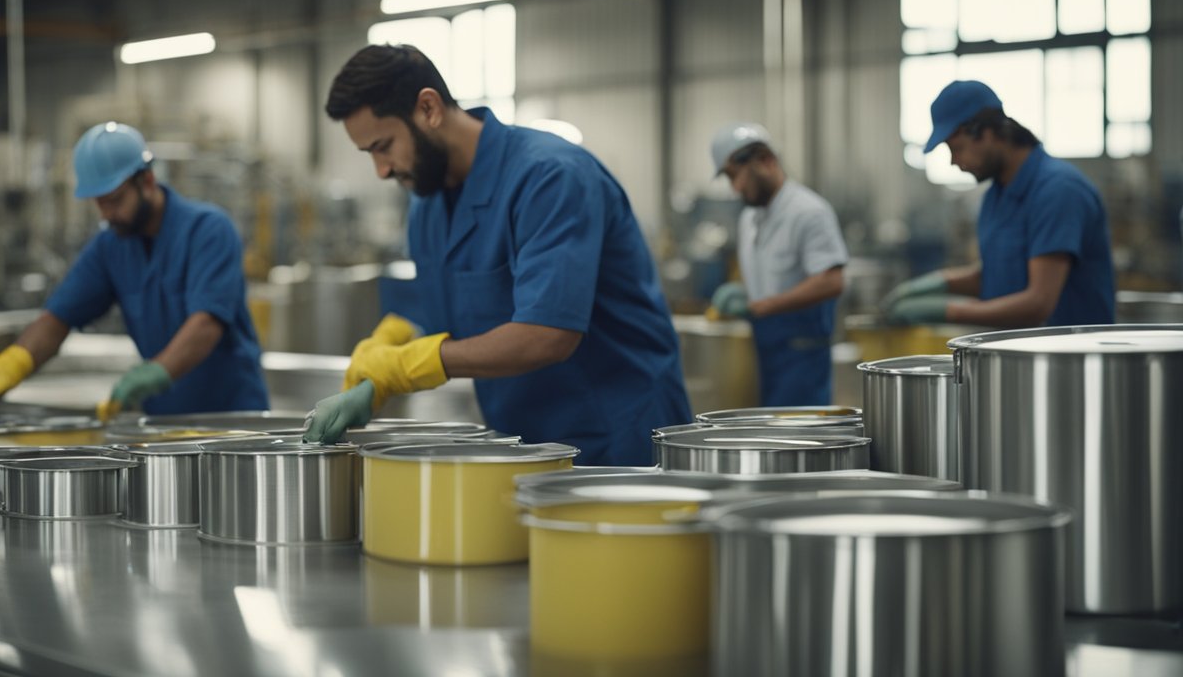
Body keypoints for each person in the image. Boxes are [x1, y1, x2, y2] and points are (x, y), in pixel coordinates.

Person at [305, 44, 690, 466]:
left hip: (617, 438)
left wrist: (408, 365)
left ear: (428, 108)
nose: (381, 170)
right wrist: (381, 356)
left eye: (384, 146)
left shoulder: (550, 177)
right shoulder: (428, 205)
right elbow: (432, 311)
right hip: (522, 442)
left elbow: (548, 335)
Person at [0, 122, 269, 418]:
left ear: (147, 180)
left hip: (233, 422)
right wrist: (14, 362)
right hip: (165, 423)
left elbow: (206, 324)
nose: (106, 214)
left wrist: (155, 372)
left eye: (114, 200)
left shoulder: (209, 230)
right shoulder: (111, 246)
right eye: (98, 203)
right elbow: (57, 319)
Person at [882, 80, 1115, 327]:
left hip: (1066, 359)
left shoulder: (1058, 190)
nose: (954, 161)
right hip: (1013, 358)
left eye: (957, 148)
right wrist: (940, 283)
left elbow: (1038, 302)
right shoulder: (996, 196)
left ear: (987, 132)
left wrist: (949, 311)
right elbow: (999, 276)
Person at [706, 123, 848, 406]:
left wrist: (765, 306)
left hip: (802, 355)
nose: (735, 189)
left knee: (797, 437)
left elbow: (832, 280)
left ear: (766, 161)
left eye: (737, 177)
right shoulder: (751, 218)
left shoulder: (809, 211)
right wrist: (744, 293)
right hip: (763, 349)